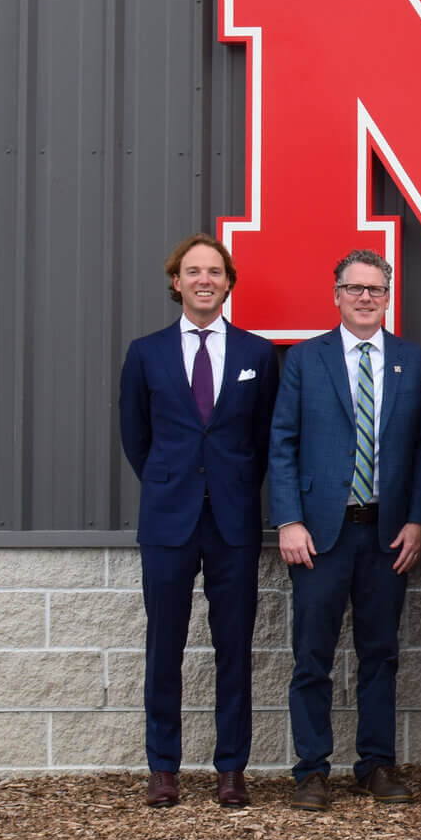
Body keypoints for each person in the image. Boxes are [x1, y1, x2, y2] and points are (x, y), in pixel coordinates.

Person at [268, 249, 421, 812]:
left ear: (388, 297)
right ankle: (312, 771)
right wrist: (288, 520)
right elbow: (283, 443)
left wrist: (418, 520)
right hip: (320, 533)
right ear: (335, 294)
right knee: (311, 655)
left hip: (387, 533)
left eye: (375, 289)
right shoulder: (304, 360)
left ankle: (375, 764)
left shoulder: (413, 363)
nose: (365, 297)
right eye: (354, 288)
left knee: (380, 653)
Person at [117, 233, 278, 809]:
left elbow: (263, 440)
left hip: (233, 520)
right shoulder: (146, 353)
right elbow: (137, 437)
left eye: (215, 270)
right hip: (168, 520)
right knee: (165, 645)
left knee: (233, 647)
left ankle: (231, 768)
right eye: (193, 271)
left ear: (228, 282)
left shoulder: (257, 355)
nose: (204, 279)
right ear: (176, 282)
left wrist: (228, 483)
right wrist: (171, 480)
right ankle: (164, 767)